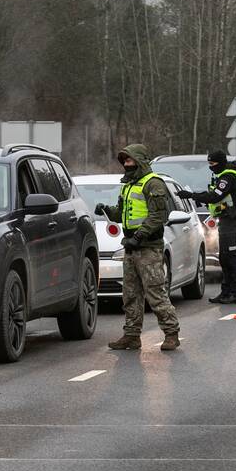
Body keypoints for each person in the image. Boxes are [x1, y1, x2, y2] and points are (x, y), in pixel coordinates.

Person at [94, 144, 180, 351]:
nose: (126, 164)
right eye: (124, 161)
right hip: (131, 247)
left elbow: (158, 215)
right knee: (130, 294)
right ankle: (131, 335)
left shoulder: (153, 184)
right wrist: (106, 210)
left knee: (155, 293)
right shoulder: (128, 185)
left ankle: (171, 333)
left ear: (140, 161)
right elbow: (120, 213)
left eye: (129, 160)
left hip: (149, 247)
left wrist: (140, 235)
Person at [177, 150, 236, 304]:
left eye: (212, 164)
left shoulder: (228, 177)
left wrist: (191, 195)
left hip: (231, 219)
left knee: (231, 257)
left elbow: (215, 196)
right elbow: (214, 196)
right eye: (209, 164)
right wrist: (201, 198)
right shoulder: (222, 176)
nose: (211, 167)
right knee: (224, 257)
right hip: (226, 219)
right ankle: (226, 292)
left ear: (220, 162)